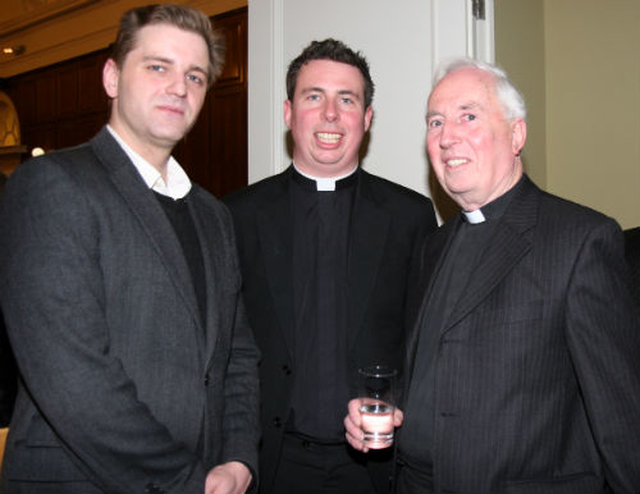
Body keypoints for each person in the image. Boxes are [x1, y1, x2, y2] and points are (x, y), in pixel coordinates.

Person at [345, 58, 640, 493]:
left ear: (517, 134)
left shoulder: (581, 240)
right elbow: (433, 368)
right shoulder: (432, 246)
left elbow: (621, 418)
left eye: (469, 116)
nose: (448, 137)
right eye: (435, 122)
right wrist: (391, 409)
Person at [0, 5, 260, 494]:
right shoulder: (52, 186)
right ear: (112, 77)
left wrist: (238, 457)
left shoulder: (213, 215)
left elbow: (237, 355)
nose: (180, 87)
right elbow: (74, 380)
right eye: (158, 67)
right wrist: (187, 480)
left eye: (196, 76)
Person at [224, 39, 437, 494]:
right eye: (313, 96)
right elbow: (225, 351)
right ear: (288, 112)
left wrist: (392, 406)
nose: (330, 115)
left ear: (367, 117)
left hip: (376, 469)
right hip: (270, 464)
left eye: (347, 99)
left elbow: (425, 344)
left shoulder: (410, 215)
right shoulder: (238, 215)